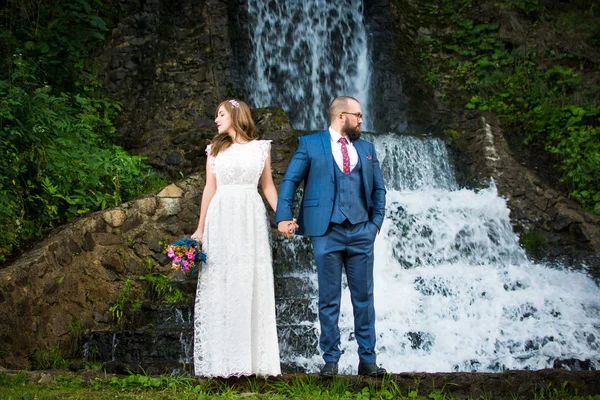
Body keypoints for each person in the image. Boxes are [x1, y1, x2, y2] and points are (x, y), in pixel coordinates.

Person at [275, 96, 387, 377]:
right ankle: (331, 361)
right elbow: (290, 181)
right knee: (328, 298)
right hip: (326, 232)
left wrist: (374, 225)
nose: (361, 121)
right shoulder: (310, 144)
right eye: (357, 116)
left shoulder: (367, 148)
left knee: (364, 298)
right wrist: (284, 216)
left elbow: (379, 191)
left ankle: (368, 360)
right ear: (341, 117)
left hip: (362, 231)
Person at [190, 99, 294, 377]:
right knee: (222, 282)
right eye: (215, 115)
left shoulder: (261, 148)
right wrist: (200, 229)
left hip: (250, 217)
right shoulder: (214, 150)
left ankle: (253, 363)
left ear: (237, 116)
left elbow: (268, 186)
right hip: (221, 217)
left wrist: (281, 217)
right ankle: (223, 364)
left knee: (250, 280)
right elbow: (209, 189)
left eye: (220, 114)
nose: (216, 119)